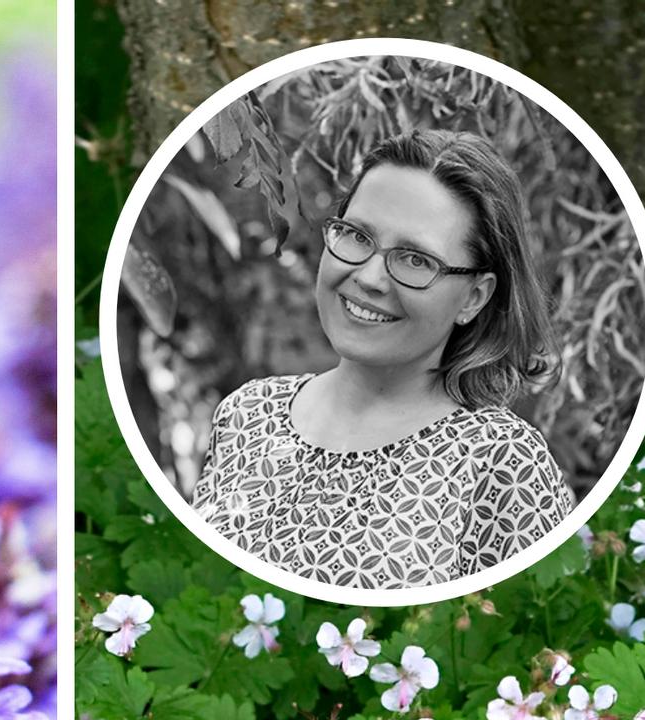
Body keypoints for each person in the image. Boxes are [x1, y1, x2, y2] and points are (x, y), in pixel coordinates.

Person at [194, 129, 575, 588]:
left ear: (475, 297)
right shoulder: (246, 414)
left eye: (416, 259)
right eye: (356, 235)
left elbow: (541, 637)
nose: (370, 277)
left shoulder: (504, 463)